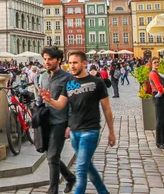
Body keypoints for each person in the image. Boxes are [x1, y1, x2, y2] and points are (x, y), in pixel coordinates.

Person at [41, 50, 116, 194]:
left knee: (80, 169)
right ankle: (103, 191)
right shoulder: (70, 83)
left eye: (75, 63)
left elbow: (107, 109)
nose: (72, 66)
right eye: (70, 63)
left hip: (90, 131)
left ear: (84, 63)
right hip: (75, 132)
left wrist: (111, 132)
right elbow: (62, 104)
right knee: (88, 167)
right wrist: (49, 100)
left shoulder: (96, 82)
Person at [38, 47, 76, 194]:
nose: (47, 62)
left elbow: (74, 103)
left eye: (50, 59)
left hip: (60, 122)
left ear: (58, 60)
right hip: (46, 120)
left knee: (53, 156)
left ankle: (53, 191)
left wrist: (70, 124)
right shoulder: (43, 77)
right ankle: (70, 177)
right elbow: (41, 98)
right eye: (45, 59)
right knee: (50, 155)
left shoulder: (69, 78)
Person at [149, 58, 164, 149]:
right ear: (151, 64)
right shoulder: (153, 74)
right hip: (158, 97)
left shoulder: (156, 73)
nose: (157, 64)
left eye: (157, 62)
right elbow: (159, 87)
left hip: (161, 97)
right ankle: (158, 142)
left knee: (163, 119)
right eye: (154, 62)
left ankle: (163, 139)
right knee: (160, 120)